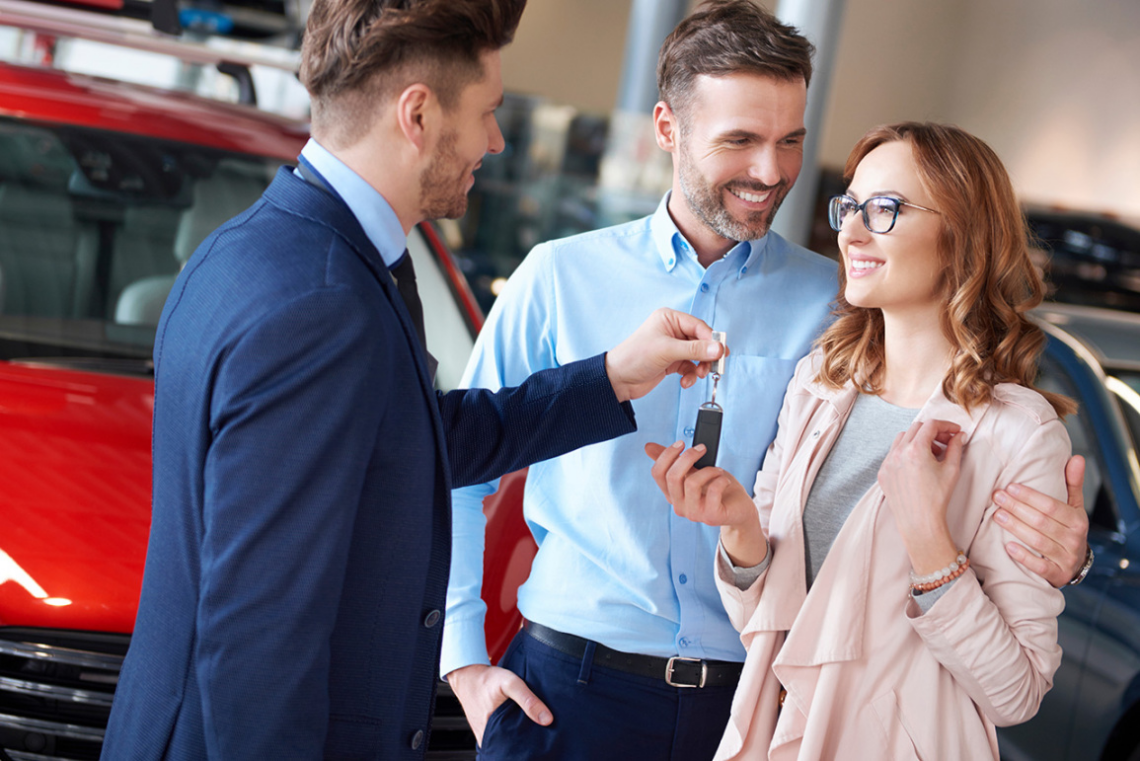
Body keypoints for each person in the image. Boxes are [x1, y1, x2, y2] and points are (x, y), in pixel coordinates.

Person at [442, 2, 1092, 759]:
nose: (770, 171)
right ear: (667, 130)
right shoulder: (558, 277)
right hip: (568, 690)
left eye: (790, 142)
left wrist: (1058, 552)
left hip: (753, 704)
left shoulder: (843, 309)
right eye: (741, 140)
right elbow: (458, 465)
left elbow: (959, 438)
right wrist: (460, 659)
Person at [97, 1, 729, 759]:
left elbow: (416, 443)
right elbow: (260, 637)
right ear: (419, 115)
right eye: (488, 113)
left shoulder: (254, 248)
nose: (495, 141)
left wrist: (613, 378)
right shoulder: (326, 305)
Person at [649, 121, 1072, 760]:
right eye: (849, 207)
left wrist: (932, 544)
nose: (850, 231)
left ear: (961, 235)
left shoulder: (1017, 430)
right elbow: (764, 624)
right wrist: (739, 528)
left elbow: (1014, 694)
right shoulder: (823, 381)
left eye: (884, 210)